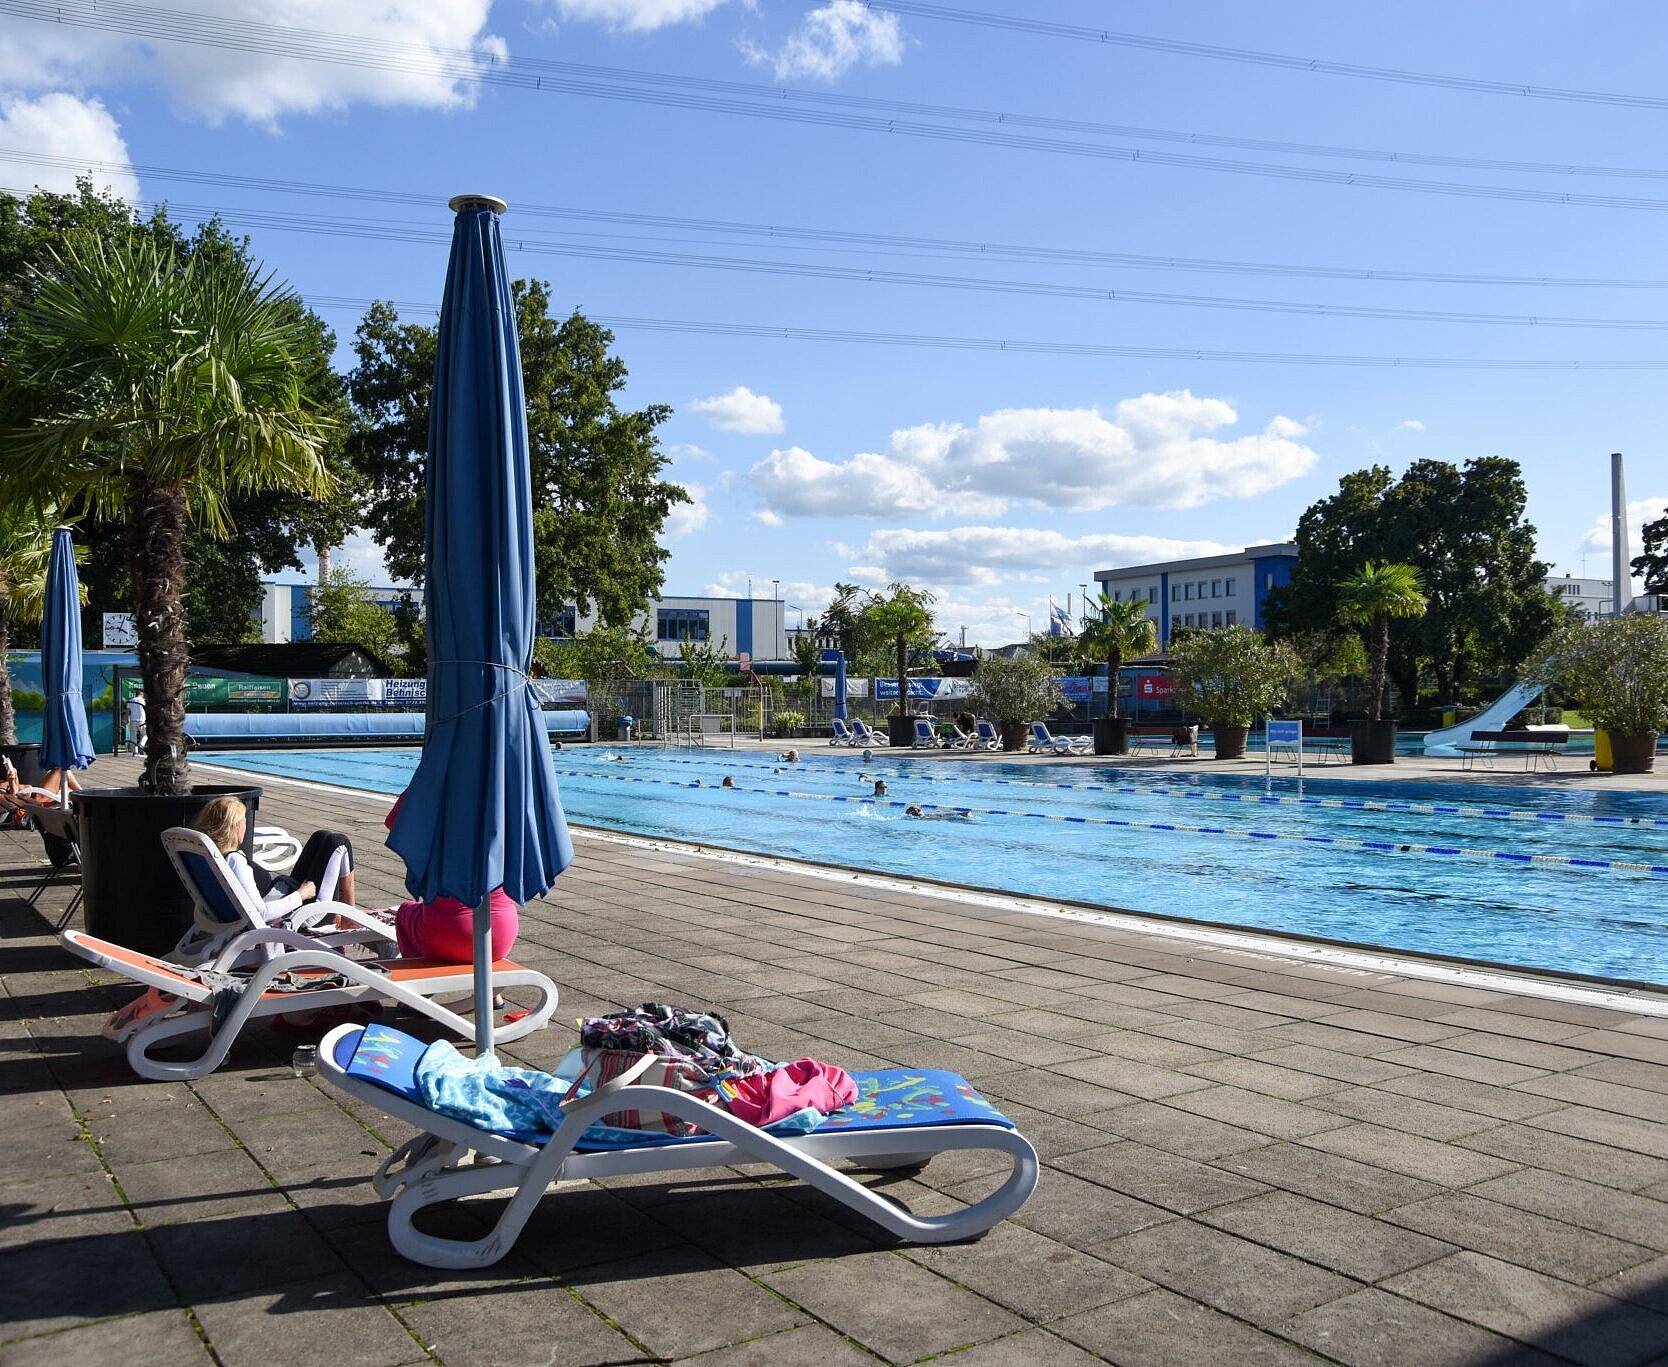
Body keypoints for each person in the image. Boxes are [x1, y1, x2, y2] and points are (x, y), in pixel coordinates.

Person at [384, 793, 519, 962]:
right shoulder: (505, 794)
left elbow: (396, 825)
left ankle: (418, 983)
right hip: (499, 937)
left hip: (443, 935)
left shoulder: (438, 782)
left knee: (405, 913)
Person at [195, 795, 357, 920]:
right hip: (303, 914)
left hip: (284, 895)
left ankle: (347, 912)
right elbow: (260, 913)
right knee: (338, 842)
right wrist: (301, 894)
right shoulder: (235, 861)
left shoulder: (211, 857)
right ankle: (351, 917)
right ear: (236, 826)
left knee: (321, 837)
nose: (246, 825)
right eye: (244, 821)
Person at [125, 689, 147, 756]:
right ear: (141, 694)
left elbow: (128, 711)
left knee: (133, 736)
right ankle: (141, 745)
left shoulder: (131, 700)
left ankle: (135, 752)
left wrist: (127, 719)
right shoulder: (143, 701)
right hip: (142, 720)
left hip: (133, 719)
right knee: (145, 734)